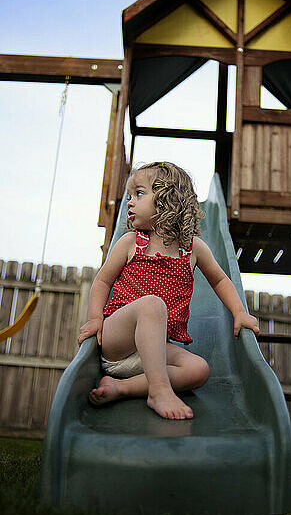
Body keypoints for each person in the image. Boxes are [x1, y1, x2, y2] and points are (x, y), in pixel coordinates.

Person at [78, 162, 259, 421]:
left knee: (199, 370)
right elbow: (102, 282)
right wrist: (96, 318)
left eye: (138, 194)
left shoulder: (193, 248)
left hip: (154, 352)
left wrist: (239, 312)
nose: (130, 202)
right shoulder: (131, 243)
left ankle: (123, 387)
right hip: (118, 341)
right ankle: (160, 391)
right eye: (129, 196)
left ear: (167, 200)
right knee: (152, 304)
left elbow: (220, 280)